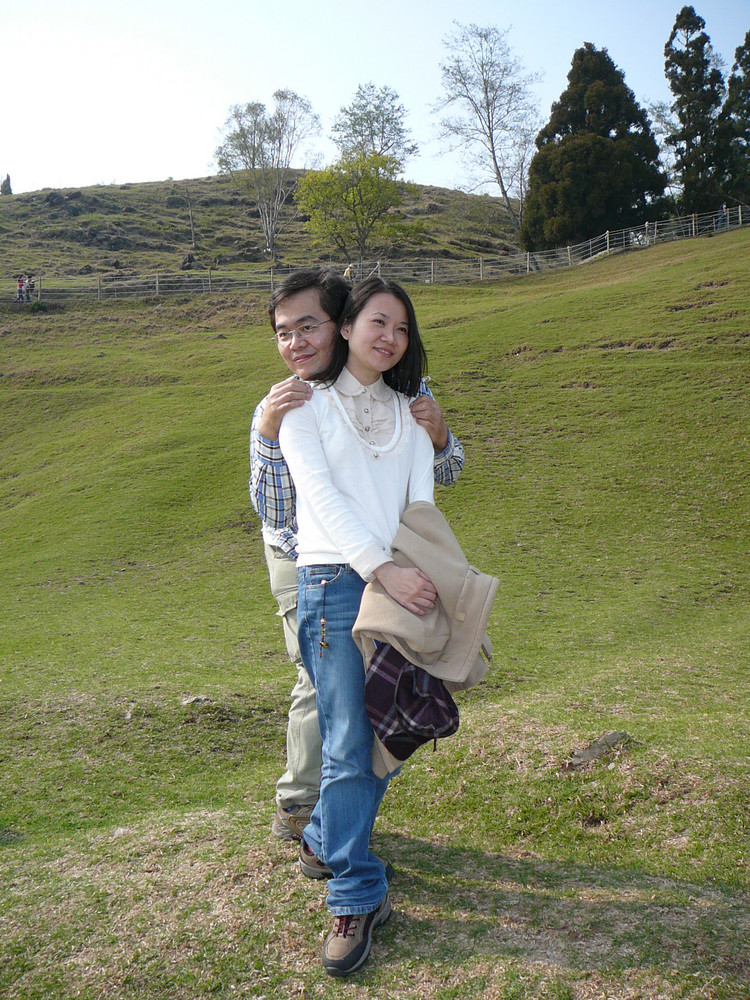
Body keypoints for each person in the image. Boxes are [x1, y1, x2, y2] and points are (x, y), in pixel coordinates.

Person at [249, 268, 464, 844]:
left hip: (381, 561)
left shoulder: (404, 392)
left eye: (308, 327)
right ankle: (304, 809)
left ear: (339, 324)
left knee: (378, 701)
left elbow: (441, 475)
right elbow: (279, 510)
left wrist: (441, 438)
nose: (297, 343)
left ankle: (331, 828)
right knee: (320, 686)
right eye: (284, 332)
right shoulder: (285, 404)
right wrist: (268, 435)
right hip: (304, 558)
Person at [277, 277, 439, 975]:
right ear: (346, 327)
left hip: (398, 583)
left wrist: (411, 574)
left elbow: (420, 506)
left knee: (394, 728)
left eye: (401, 329)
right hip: (333, 585)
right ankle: (355, 892)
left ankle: (322, 838)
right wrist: (383, 570)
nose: (390, 338)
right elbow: (321, 499)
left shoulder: (412, 413)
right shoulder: (302, 407)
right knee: (348, 740)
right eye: (378, 322)